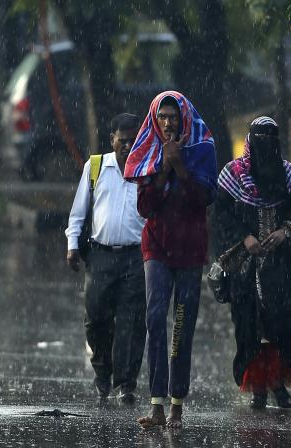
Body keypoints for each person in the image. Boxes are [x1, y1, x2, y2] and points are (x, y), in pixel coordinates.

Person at [123, 91, 217, 428]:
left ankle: (177, 403)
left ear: (184, 119)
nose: (166, 123)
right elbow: (145, 207)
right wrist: (164, 167)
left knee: (182, 324)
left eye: (172, 117)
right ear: (154, 119)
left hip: (190, 248)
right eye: (161, 117)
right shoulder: (147, 149)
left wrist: (180, 165)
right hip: (157, 247)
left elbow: (203, 200)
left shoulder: (203, 149)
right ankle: (157, 404)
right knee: (155, 318)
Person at [214, 116, 291, 409]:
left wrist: (285, 232)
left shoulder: (290, 178)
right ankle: (257, 384)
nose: (264, 145)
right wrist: (245, 238)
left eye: (270, 139)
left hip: (281, 269)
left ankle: (278, 382)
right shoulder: (232, 177)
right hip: (245, 268)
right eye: (260, 138)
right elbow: (220, 216)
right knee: (249, 326)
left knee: (282, 325)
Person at [65, 113, 147, 404]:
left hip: (137, 258)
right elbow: (78, 212)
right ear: (112, 139)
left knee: (133, 322)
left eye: (132, 140)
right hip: (100, 255)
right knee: (96, 318)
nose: (127, 146)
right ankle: (103, 372)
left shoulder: (149, 169)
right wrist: (72, 245)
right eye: (121, 140)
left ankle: (126, 383)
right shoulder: (96, 167)